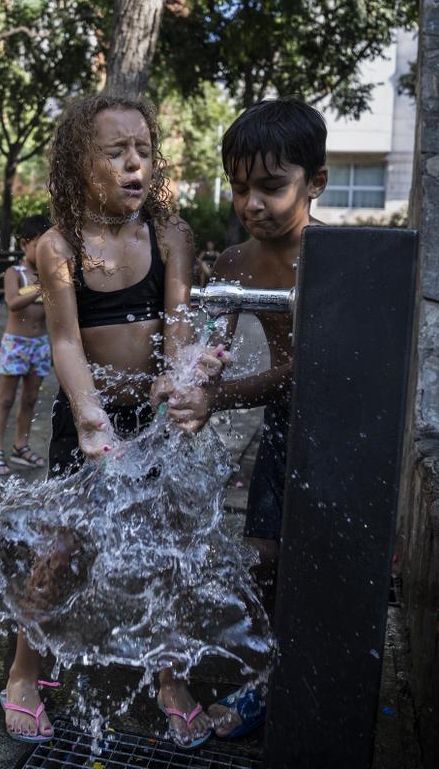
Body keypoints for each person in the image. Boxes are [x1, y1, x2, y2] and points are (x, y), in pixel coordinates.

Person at [1, 95, 225, 750]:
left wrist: (184, 374)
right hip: (90, 420)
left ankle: (171, 680)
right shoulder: (58, 246)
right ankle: (22, 673)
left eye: (144, 151)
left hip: (150, 417)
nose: (135, 164)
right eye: (115, 152)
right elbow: (66, 342)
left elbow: (178, 320)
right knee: (64, 549)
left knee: (168, 551)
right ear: (79, 162)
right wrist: (90, 417)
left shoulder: (170, 236)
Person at [165, 98, 329, 739]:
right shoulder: (234, 265)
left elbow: (311, 369)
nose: (252, 204)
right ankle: (266, 677)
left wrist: (220, 397)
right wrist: (185, 387)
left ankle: (314, 676)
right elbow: (210, 352)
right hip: (286, 422)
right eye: (239, 189)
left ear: (315, 182)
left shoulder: (334, 257)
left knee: (322, 558)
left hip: (340, 424)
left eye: (271, 187)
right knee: (263, 553)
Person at [0, 214, 53, 476]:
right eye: (41, 245)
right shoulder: (15, 273)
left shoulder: (48, 275)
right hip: (16, 344)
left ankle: (20, 446)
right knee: (5, 399)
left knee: (31, 398)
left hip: (40, 344)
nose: (47, 251)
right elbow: (13, 302)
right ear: (25, 243)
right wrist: (42, 288)